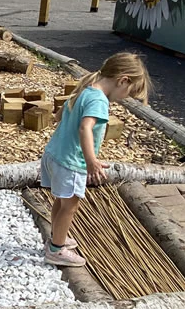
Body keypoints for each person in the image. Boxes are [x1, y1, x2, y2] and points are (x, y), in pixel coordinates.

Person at [39, 52, 151, 267]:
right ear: (123, 80)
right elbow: (85, 128)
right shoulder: (99, 101)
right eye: (128, 92)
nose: (124, 97)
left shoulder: (86, 89)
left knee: (62, 202)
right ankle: (56, 250)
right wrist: (91, 161)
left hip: (54, 155)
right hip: (71, 162)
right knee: (70, 206)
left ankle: (56, 238)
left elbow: (59, 115)